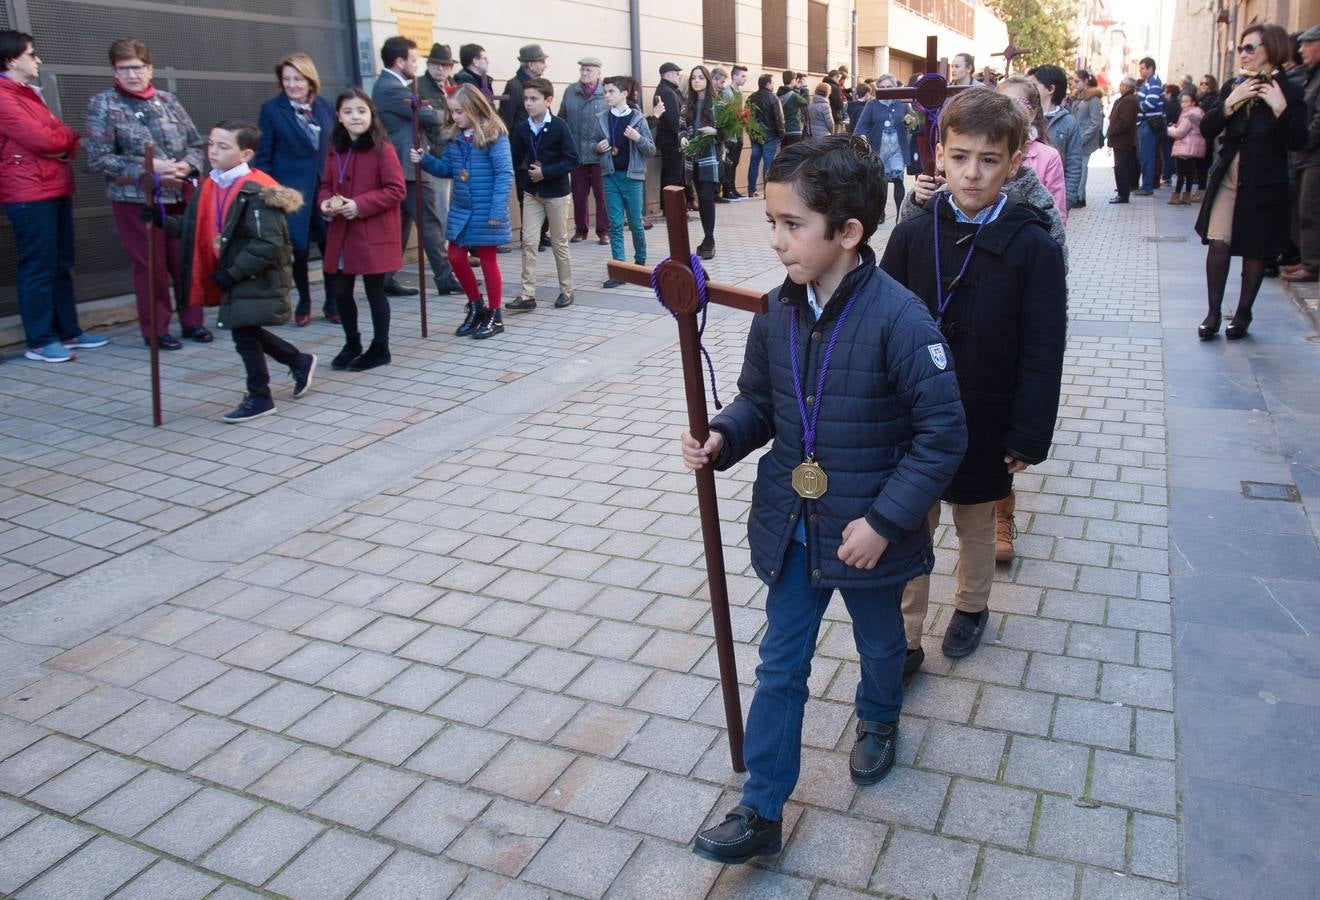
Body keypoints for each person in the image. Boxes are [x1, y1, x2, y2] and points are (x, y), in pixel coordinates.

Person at [685, 134, 966, 865]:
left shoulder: (901, 320)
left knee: (880, 646)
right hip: (797, 527)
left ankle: (878, 717)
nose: (775, 240)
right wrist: (723, 437)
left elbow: (943, 435)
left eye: (791, 225)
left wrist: (884, 519)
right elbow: (760, 403)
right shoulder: (776, 312)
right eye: (772, 222)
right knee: (781, 665)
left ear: (848, 232)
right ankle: (762, 808)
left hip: (869, 534)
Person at [882, 88, 1066, 668]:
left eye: (989, 160)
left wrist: (1028, 433)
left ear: (1015, 163)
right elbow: (879, 323)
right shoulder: (913, 232)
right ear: (939, 155)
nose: (972, 173)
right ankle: (905, 637)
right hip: (916, 414)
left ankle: (971, 605)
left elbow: (1044, 347)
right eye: (959, 156)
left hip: (988, 411)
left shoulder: (1032, 245)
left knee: (977, 520)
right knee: (910, 523)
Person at [167, 120, 313, 422]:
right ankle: (297, 360)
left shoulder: (258, 191)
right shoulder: (212, 184)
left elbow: (267, 244)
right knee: (244, 329)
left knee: (243, 334)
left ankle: (261, 396)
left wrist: (231, 274)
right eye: (211, 144)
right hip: (231, 269)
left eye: (223, 146)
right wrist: (162, 221)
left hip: (253, 273)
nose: (213, 152)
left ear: (245, 154)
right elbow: (196, 226)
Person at [86, 38, 208, 350]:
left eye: (137, 68)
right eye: (123, 69)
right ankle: (156, 330)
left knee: (183, 259)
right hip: (136, 199)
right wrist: (148, 168)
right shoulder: (104, 104)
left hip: (180, 194)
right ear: (114, 71)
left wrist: (186, 167)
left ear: (149, 69)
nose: (131, 75)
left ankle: (193, 321)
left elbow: (196, 144)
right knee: (150, 265)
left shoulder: (168, 100)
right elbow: (98, 158)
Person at [1195, 24, 1308, 340]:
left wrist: (1280, 108)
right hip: (1230, 176)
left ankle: (1243, 314)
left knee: (1255, 251)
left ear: (1269, 50)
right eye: (1241, 47)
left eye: (1249, 47)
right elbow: (1207, 129)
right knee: (1218, 242)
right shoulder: (1234, 84)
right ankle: (1213, 313)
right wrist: (1231, 102)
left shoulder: (1291, 91)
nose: (1243, 53)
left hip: (1264, 181)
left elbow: (1299, 140)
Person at [0, 30, 106, 363]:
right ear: (11, 59)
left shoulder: (27, 94)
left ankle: (68, 330)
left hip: (53, 185)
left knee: (62, 263)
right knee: (38, 265)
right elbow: (44, 140)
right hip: (28, 192)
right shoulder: (4, 96)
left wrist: (64, 139)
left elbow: (62, 136)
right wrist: (63, 138)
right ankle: (41, 339)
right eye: (31, 54)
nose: (38, 59)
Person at [413, 84, 514, 339]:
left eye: (459, 112)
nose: (454, 117)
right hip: (462, 208)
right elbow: (448, 169)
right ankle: (476, 305)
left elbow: (504, 173)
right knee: (456, 257)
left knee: (488, 261)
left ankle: (495, 313)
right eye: (452, 112)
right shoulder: (456, 138)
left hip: (485, 208)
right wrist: (424, 160)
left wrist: (497, 209)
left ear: (473, 108)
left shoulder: (494, 135)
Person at [318, 88, 405, 370]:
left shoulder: (383, 148)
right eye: (348, 111)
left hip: (371, 232)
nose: (355, 117)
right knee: (341, 291)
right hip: (342, 232)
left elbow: (396, 189)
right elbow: (326, 185)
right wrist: (324, 205)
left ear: (371, 114)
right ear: (339, 117)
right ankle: (351, 342)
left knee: (374, 291)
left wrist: (359, 205)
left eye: (361, 111)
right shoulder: (335, 150)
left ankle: (381, 347)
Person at [372, 35, 462, 300]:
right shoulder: (391, 88)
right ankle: (444, 278)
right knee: (430, 222)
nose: (416, 64)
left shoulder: (397, 84)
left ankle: (386, 278)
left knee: (400, 225)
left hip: (401, 167)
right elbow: (428, 116)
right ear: (399, 61)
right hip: (408, 166)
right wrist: (454, 111)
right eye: (413, 59)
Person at [254, 52, 337, 327]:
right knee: (299, 249)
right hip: (293, 193)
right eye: (287, 79)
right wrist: (268, 190)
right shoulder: (272, 110)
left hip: (324, 189)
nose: (292, 85)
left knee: (330, 246)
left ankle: (332, 301)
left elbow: (335, 148)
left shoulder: (325, 107)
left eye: (298, 79)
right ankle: (304, 300)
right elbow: (264, 154)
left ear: (310, 80)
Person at [506, 77, 577, 311]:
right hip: (532, 192)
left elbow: (572, 159)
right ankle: (527, 295)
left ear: (548, 101)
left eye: (534, 99)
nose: (528, 103)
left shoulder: (558, 126)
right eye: (526, 99)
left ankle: (566, 290)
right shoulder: (522, 128)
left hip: (556, 193)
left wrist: (546, 172)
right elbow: (514, 157)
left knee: (559, 242)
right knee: (528, 241)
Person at [595, 75, 655, 287]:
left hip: (632, 177)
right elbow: (593, 146)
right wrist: (598, 148)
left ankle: (639, 264)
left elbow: (650, 149)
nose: (607, 96)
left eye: (611, 91)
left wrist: (637, 138)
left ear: (623, 94)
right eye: (605, 92)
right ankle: (619, 270)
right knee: (615, 224)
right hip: (610, 175)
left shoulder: (637, 119)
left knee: (636, 223)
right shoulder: (602, 118)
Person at [998, 76, 1067, 222]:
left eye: (1016, 107)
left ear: (1033, 113)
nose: (1008, 115)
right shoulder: (984, 150)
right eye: (1000, 107)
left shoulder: (1048, 157)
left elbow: (1056, 209)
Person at [1283, 26, 1319, 284]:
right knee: (1301, 208)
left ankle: (1312, 263)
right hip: (1305, 154)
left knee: (1310, 209)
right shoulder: (1312, 75)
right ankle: (1307, 259)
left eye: (1308, 44)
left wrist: (1304, 140)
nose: (1302, 49)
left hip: (1313, 154)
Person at [560, 57, 609, 244]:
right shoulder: (570, 91)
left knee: (602, 195)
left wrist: (606, 143)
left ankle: (604, 231)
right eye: (582, 70)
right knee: (579, 195)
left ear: (598, 72)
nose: (584, 73)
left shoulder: (605, 92)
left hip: (600, 155)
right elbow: (562, 118)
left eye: (588, 70)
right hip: (577, 154)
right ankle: (581, 230)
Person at [854, 73, 912, 224]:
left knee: (898, 179)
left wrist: (911, 121)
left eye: (889, 87)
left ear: (895, 88)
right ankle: (881, 212)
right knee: (882, 182)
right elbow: (862, 126)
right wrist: (861, 137)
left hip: (897, 148)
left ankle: (900, 215)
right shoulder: (872, 105)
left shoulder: (902, 103)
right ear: (878, 89)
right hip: (879, 148)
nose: (886, 90)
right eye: (882, 87)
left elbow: (913, 124)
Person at [1032, 65, 1084, 208]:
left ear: (1050, 89)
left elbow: (1074, 164)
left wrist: (1067, 200)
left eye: (1035, 85)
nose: (1030, 88)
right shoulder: (1026, 118)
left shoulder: (1069, 122)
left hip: (1055, 200)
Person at [684, 65, 721, 259]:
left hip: (710, 158)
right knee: (700, 197)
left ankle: (709, 238)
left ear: (707, 80)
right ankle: (707, 238)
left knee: (707, 198)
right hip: (693, 158)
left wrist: (715, 132)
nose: (696, 81)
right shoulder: (687, 104)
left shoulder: (717, 103)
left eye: (700, 77)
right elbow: (681, 127)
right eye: (693, 78)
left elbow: (729, 132)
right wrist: (682, 137)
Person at [746, 73, 784, 198]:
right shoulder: (773, 99)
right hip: (770, 135)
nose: (773, 85)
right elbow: (779, 118)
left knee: (754, 162)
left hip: (755, 135)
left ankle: (751, 190)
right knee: (768, 163)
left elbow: (746, 117)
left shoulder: (750, 98)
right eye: (772, 83)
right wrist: (781, 133)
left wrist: (750, 132)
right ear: (767, 84)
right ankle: (767, 192)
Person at [652, 62, 686, 199]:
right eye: (677, 74)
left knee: (670, 175)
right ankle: (672, 210)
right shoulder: (667, 92)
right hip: (672, 141)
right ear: (670, 74)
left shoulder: (667, 90)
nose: (678, 77)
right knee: (673, 177)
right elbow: (674, 121)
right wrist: (682, 136)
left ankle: (670, 209)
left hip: (670, 140)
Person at [1166, 92, 1205, 204]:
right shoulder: (1199, 112)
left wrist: (1169, 129)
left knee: (1181, 173)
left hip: (1184, 147)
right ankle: (1186, 195)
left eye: (1186, 102)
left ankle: (1176, 196)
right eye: (1182, 102)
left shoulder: (1188, 115)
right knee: (1189, 174)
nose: (1183, 104)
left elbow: (1180, 132)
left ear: (1193, 102)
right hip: (1194, 148)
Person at [1071, 70, 1104, 207]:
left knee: (1082, 168)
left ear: (1086, 81)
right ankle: (1077, 195)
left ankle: (1080, 197)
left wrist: (1083, 138)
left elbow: (1095, 122)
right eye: (1073, 81)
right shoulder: (1079, 97)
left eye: (1077, 81)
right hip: (1076, 137)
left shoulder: (1093, 99)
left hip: (1084, 140)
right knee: (1077, 167)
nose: (1074, 84)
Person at [499, 43, 547, 133]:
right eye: (542, 62)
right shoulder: (514, 86)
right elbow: (506, 121)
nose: (545, 66)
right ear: (531, 65)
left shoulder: (540, 85)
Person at [1135, 57, 1164, 195]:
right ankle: (1146, 185)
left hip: (1149, 124)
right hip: (1145, 123)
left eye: (1142, 68)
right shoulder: (1149, 83)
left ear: (1150, 68)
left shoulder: (1154, 83)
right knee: (1145, 156)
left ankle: (1147, 187)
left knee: (1147, 157)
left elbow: (1150, 104)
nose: (1140, 71)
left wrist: (1138, 105)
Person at [1107, 77, 1139, 203]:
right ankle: (1122, 191)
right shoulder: (1125, 99)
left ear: (1126, 86)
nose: (1120, 87)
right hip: (1120, 140)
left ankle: (1123, 194)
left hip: (1122, 140)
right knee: (1120, 166)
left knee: (1121, 167)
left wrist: (1113, 131)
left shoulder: (1128, 100)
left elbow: (1125, 121)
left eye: (1121, 84)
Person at [719, 65, 749, 200]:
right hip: (730, 134)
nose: (744, 79)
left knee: (735, 162)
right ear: (734, 76)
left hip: (738, 133)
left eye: (745, 76)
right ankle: (727, 190)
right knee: (729, 163)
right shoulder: (727, 91)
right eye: (742, 76)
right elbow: (725, 113)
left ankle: (732, 188)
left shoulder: (739, 93)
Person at [1195, 73, 1222, 201]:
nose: (1203, 86)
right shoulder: (1202, 98)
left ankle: (1202, 190)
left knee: (1204, 163)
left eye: (1206, 83)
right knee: (1201, 163)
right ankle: (1201, 189)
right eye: (1201, 83)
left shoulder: (1210, 98)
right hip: (1201, 134)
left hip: (1207, 136)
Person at [778, 70, 810, 146]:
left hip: (784, 130)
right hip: (794, 130)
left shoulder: (779, 93)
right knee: (794, 154)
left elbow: (792, 101)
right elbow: (806, 102)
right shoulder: (793, 96)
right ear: (793, 80)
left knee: (784, 153)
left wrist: (797, 89)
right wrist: (805, 88)